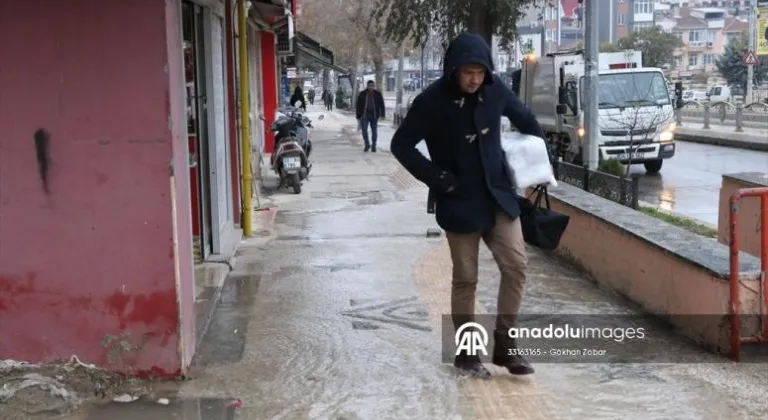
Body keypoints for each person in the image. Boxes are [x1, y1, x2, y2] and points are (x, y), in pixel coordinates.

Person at [390, 33, 547, 379]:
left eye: (480, 72)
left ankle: (506, 346)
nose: (475, 79)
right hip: (459, 202)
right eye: (468, 72)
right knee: (466, 279)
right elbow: (401, 145)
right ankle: (466, 353)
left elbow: (527, 121)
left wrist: (535, 164)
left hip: (499, 198)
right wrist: (438, 178)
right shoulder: (431, 101)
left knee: (516, 266)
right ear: (453, 71)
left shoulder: (496, 91)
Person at [355, 80, 386, 152]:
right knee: (364, 130)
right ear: (367, 86)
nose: (371, 87)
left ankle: (374, 146)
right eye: (370, 85)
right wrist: (358, 116)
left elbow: (382, 105)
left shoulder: (377, 94)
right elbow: (358, 105)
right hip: (364, 115)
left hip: (374, 115)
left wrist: (382, 115)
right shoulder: (362, 94)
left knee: (374, 131)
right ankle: (367, 144)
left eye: (373, 85)